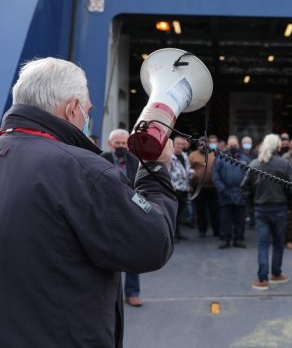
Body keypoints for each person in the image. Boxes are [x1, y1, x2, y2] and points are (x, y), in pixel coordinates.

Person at [0, 57, 177, 347]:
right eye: (87, 110)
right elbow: (152, 244)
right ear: (72, 108)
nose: (86, 118)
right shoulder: (84, 171)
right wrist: (155, 168)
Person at [241, 134, 292, 290]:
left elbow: (244, 188)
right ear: (278, 146)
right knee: (278, 243)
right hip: (280, 209)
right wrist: (291, 206)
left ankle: (262, 279)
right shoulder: (285, 163)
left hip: (261, 209)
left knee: (263, 244)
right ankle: (276, 274)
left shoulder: (254, 163)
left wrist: (251, 206)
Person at [101, 129, 144, 308]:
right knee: (107, 256)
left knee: (134, 254)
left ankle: (132, 293)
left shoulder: (137, 162)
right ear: (111, 144)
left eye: (124, 143)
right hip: (107, 214)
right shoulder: (102, 159)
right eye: (117, 143)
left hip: (131, 213)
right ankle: (108, 296)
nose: (121, 146)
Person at [212, 135, 250, 249]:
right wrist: (221, 189)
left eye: (235, 145)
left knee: (240, 219)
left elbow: (250, 175)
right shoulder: (220, 158)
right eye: (231, 145)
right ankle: (226, 239)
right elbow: (215, 174)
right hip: (225, 193)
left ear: (238, 145)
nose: (233, 147)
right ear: (227, 146)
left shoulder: (246, 159)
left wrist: (246, 190)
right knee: (225, 219)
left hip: (240, 193)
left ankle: (238, 239)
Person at [188, 136, 220, 238]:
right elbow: (187, 169)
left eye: (203, 144)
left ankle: (216, 230)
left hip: (212, 187)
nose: (201, 146)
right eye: (200, 144)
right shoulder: (192, 155)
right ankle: (202, 230)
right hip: (198, 188)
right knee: (200, 210)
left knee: (214, 210)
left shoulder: (214, 154)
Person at [170, 135, 194, 242]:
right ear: (173, 145)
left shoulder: (185, 156)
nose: (179, 146)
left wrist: (191, 173)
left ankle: (178, 232)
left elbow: (187, 170)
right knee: (173, 213)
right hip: (174, 189)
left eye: (181, 144)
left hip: (184, 188)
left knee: (181, 213)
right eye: (177, 144)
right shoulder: (169, 156)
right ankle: (172, 234)